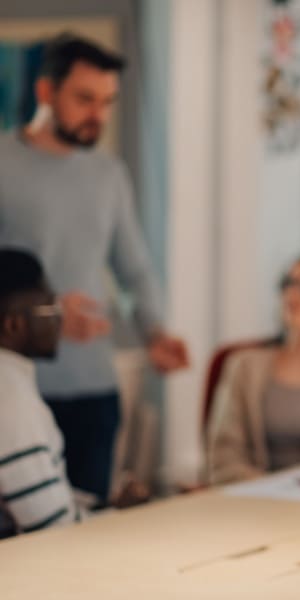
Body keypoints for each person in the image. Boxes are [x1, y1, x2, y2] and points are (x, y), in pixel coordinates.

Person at [0, 33, 189, 506]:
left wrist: (156, 331)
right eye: (85, 99)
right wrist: (46, 312)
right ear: (46, 92)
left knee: (87, 536)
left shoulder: (109, 175)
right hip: (14, 392)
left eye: (107, 102)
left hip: (94, 390)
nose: (98, 116)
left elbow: (134, 268)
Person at [208, 252, 300, 484]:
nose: (292, 294)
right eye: (288, 284)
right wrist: (272, 489)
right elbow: (223, 457)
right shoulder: (243, 366)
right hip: (252, 502)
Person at [0, 248, 82, 538]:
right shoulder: (11, 401)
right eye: (51, 308)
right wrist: (120, 516)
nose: (60, 319)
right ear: (13, 325)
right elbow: (51, 528)